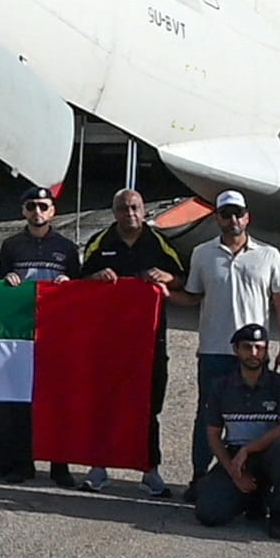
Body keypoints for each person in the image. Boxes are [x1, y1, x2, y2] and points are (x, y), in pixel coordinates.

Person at [167, 190, 280, 502]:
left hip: (254, 352)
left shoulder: (269, 255)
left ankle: (258, 477)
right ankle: (199, 476)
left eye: (238, 213)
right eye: (226, 214)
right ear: (217, 217)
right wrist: (161, 293)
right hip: (214, 350)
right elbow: (194, 295)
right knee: (207, 417)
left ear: (247, 217)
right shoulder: (202, 254)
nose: (233, 219)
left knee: (261, 418)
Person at [77, 188, 188, 498]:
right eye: (124, 209)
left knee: (148, 407)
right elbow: (78, 283)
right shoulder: (101, 242)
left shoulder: (157, 242)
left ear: (144, 210)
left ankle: (150, 470)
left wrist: (166, 277)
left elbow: (181, 278)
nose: (131, 214)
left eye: (136, 207)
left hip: (151, 342)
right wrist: (95, 278)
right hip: (108, 343)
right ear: (115, 212)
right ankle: (98, 468)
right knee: (104, 405)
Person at [0, 186, 80, 486]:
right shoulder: (11, 245)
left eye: (43, 206)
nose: (38, 212)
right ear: (24, 211)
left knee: (58, 400)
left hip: (56, 334)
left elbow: (81, 292)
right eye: (31, 206)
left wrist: (69, 283)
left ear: (53, 211)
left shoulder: (67, 248)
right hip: (21, 335)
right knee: (23, 398)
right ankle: (23, 463)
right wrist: (5, 280)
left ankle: (60, 465)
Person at [194, 324, 280, 539]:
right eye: (247, 347)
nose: (254, 354)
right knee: (208, 514)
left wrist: (249, 449)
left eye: (259, 348)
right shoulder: (221, 387)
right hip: (236, 457)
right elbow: (213, 435)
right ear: (236, 350)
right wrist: (234, 472)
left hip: (269, 455)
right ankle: (251, 498)